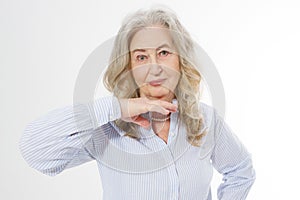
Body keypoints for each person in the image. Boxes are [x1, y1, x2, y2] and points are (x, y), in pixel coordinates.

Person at [19, 6, 255, 200]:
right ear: (129, 67)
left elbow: (241, 170)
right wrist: (118, 107)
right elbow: (36, 151)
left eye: (164, 53)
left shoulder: (205, 119)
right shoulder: (108, 127)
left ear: (181, 59)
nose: (155, 67)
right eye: (141, 57)